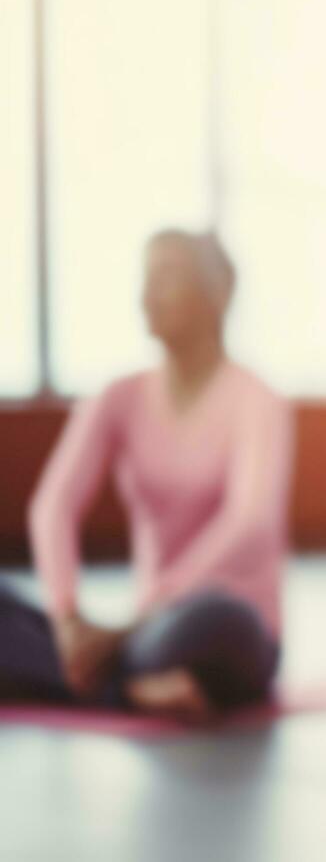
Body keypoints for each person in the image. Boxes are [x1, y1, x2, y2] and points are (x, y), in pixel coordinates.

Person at [1, 230, 293, 721]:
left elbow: (251, 524)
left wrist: (135, 622)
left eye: (166, 276)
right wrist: (68, 617)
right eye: (145, 278)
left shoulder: (257, 400)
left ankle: (104, 681)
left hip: (202, 625)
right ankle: (134, 690)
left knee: (221, 623)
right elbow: (53, 506)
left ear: (217, 294)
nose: (146, 295)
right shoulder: (118, 396)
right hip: (140, 638)